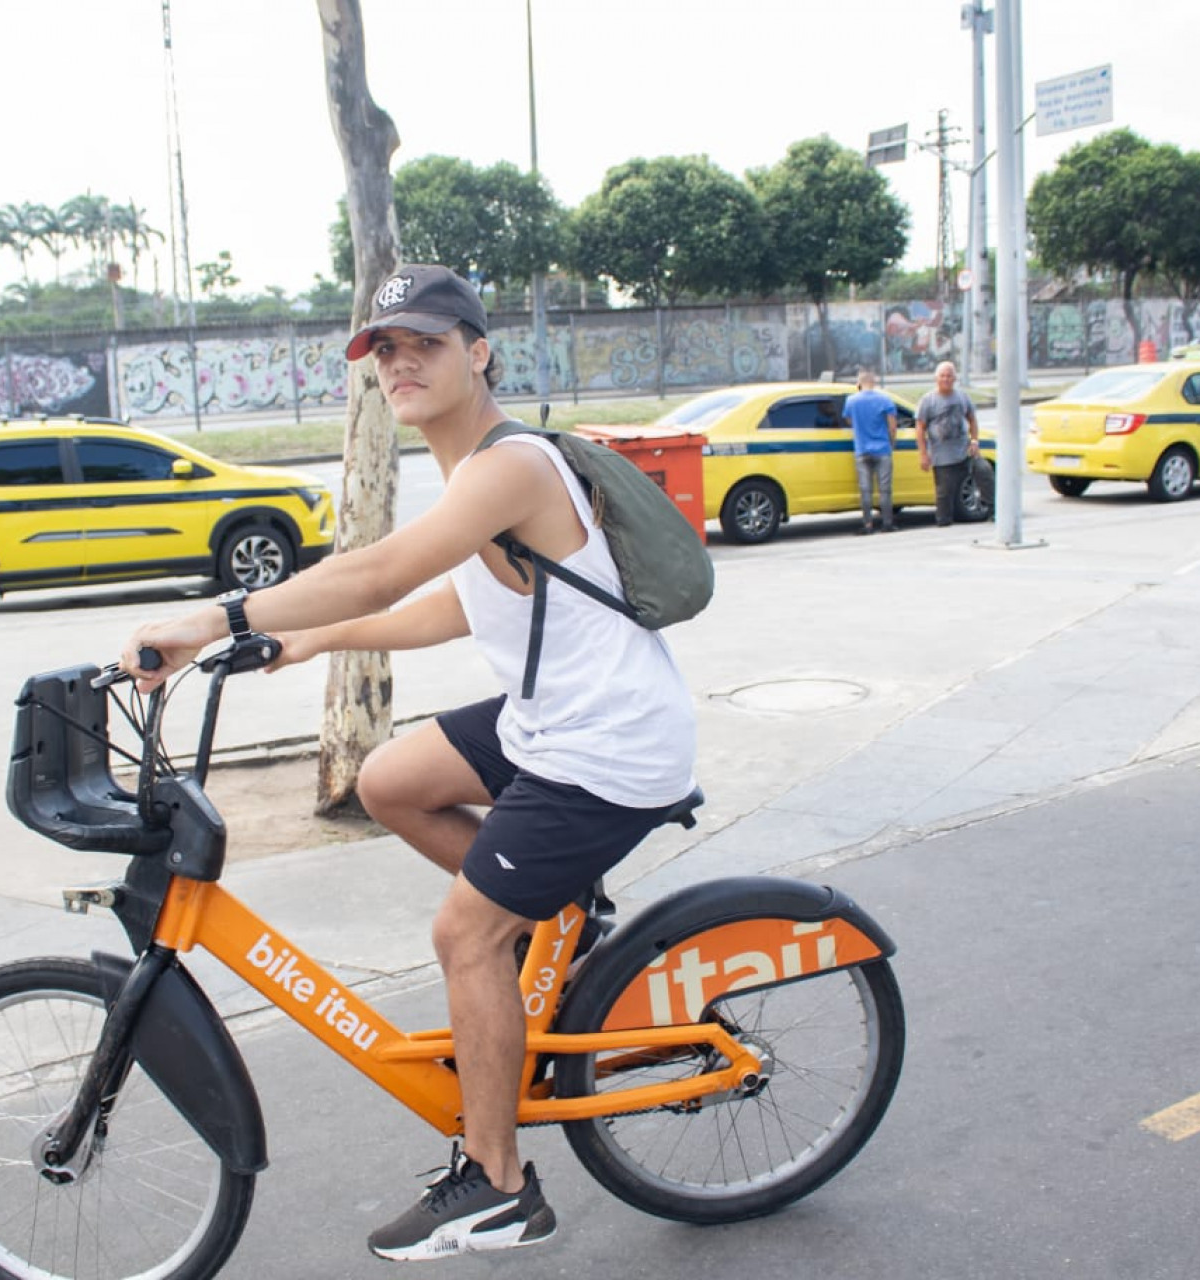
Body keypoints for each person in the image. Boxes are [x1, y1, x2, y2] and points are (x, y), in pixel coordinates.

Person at [118, 264, 697, 1262]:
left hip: (607, 747)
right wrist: (306, 641)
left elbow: (385, 566)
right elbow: (452, 604)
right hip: (546, 723)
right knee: (388, 779)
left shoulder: (508, 465)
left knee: (465, 934)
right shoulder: (471, 470)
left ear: (479, 352)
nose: (399, 363)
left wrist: (213, 616)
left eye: (424, 342)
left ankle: (502, 1186)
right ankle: (556, 905)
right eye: (385, 348)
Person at [915, 360, 980, 527]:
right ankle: (944, 522)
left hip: (964, 452)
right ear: (936, 378)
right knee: (944, 492)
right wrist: (923, 453)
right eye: (942, 376)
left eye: (949, 376)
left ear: (955, 378)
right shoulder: (928, 400)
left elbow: (972, 419)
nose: (946, 379)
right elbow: (920, 428)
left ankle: (993, 510)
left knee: (984, 473)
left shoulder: (963, 397)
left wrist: (974, 441)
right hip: (941, 456)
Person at [841, 369, 899, 534]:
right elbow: (893, 427)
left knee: (865, 489)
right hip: (882, 449)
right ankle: (887, 523)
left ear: (858, 384)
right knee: (885, 489)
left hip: (862, 450)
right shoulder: (885, 400)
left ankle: (867, 524)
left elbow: (848, 419)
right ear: (874, 383)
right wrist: (891, 444)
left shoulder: (851, 401)